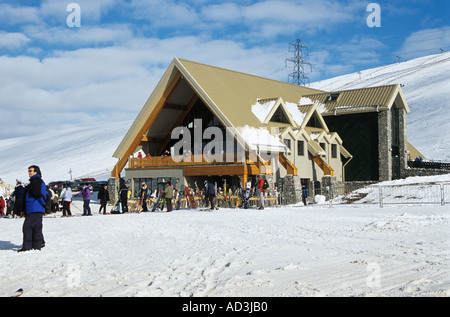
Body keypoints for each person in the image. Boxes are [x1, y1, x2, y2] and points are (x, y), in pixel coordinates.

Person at [18, 165, 47, 252]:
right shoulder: (34, 181)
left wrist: (43, 205)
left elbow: (38, 194)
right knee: (36, 227)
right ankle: (37, 245)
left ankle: (28, 246)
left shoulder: (36, 181)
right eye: (28, 170)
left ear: (36, 172)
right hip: (34, 208)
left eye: (31, 171)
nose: (29, 172)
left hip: (34, 207)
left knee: (27, 227)